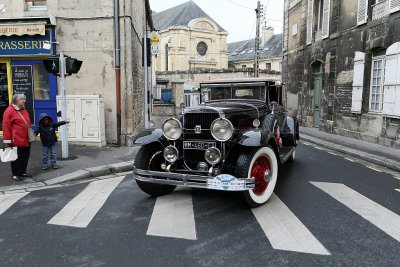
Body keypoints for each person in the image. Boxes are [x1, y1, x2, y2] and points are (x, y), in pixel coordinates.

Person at [2, 93, 33, 181]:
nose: (24, 101)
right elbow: (6, 126)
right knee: (15, 157)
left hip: (26, 138)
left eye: (24, 99)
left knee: (25, 156)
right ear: (16, 100)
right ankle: (15, 174)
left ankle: (22, 172)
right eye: (22, 99)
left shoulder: (24, 110)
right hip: (16, 139)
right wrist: (7, 140)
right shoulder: (9, 111)